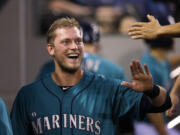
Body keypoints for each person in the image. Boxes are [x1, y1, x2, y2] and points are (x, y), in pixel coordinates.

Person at [11, 17, 171, 135]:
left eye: (78, 41)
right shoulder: (28, 95)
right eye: (66, 42)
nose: (74, 47)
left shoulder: (110, 87)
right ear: (51, 49)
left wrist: (152, 90)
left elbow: (162, 103)